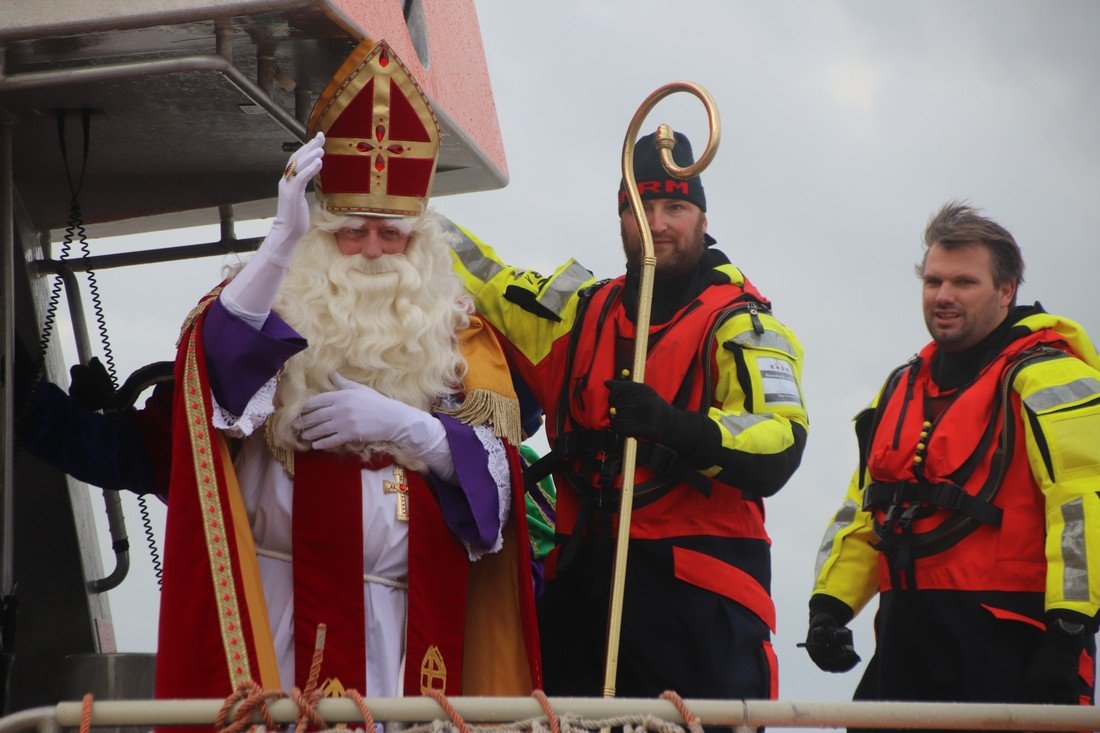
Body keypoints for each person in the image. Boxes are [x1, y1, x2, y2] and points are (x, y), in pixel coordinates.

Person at [154, 40, 540, 707]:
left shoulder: (453, 344)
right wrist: (279, 242)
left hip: (408, 648)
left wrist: (419, 432)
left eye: (391, 234)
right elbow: (211, 377)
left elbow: (501, 503)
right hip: (281, 633)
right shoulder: (264, 312)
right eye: (349, 231)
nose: (370, 251)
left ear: (418, 246)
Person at [449, 131, 808, 699]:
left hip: (697, 600)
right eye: (641, 208)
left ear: (703, 218)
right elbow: (484, 277)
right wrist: (404, 210)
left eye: (676, 208)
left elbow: (781, 442)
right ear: (622, 217)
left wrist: (672, 425)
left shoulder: (745, 327)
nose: (658, 224)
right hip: (583, 591)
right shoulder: (577, 310)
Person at [806, 202, 1100, 712]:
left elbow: (1084, 506)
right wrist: (828, 609)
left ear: (1006, 291)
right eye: (933, 282)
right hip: (904, 642)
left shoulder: (1051, 376)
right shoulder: (899, 386)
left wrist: (1067, 632)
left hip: (1016, 646)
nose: (943, 296)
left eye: (964, 283)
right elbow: (862, 507)